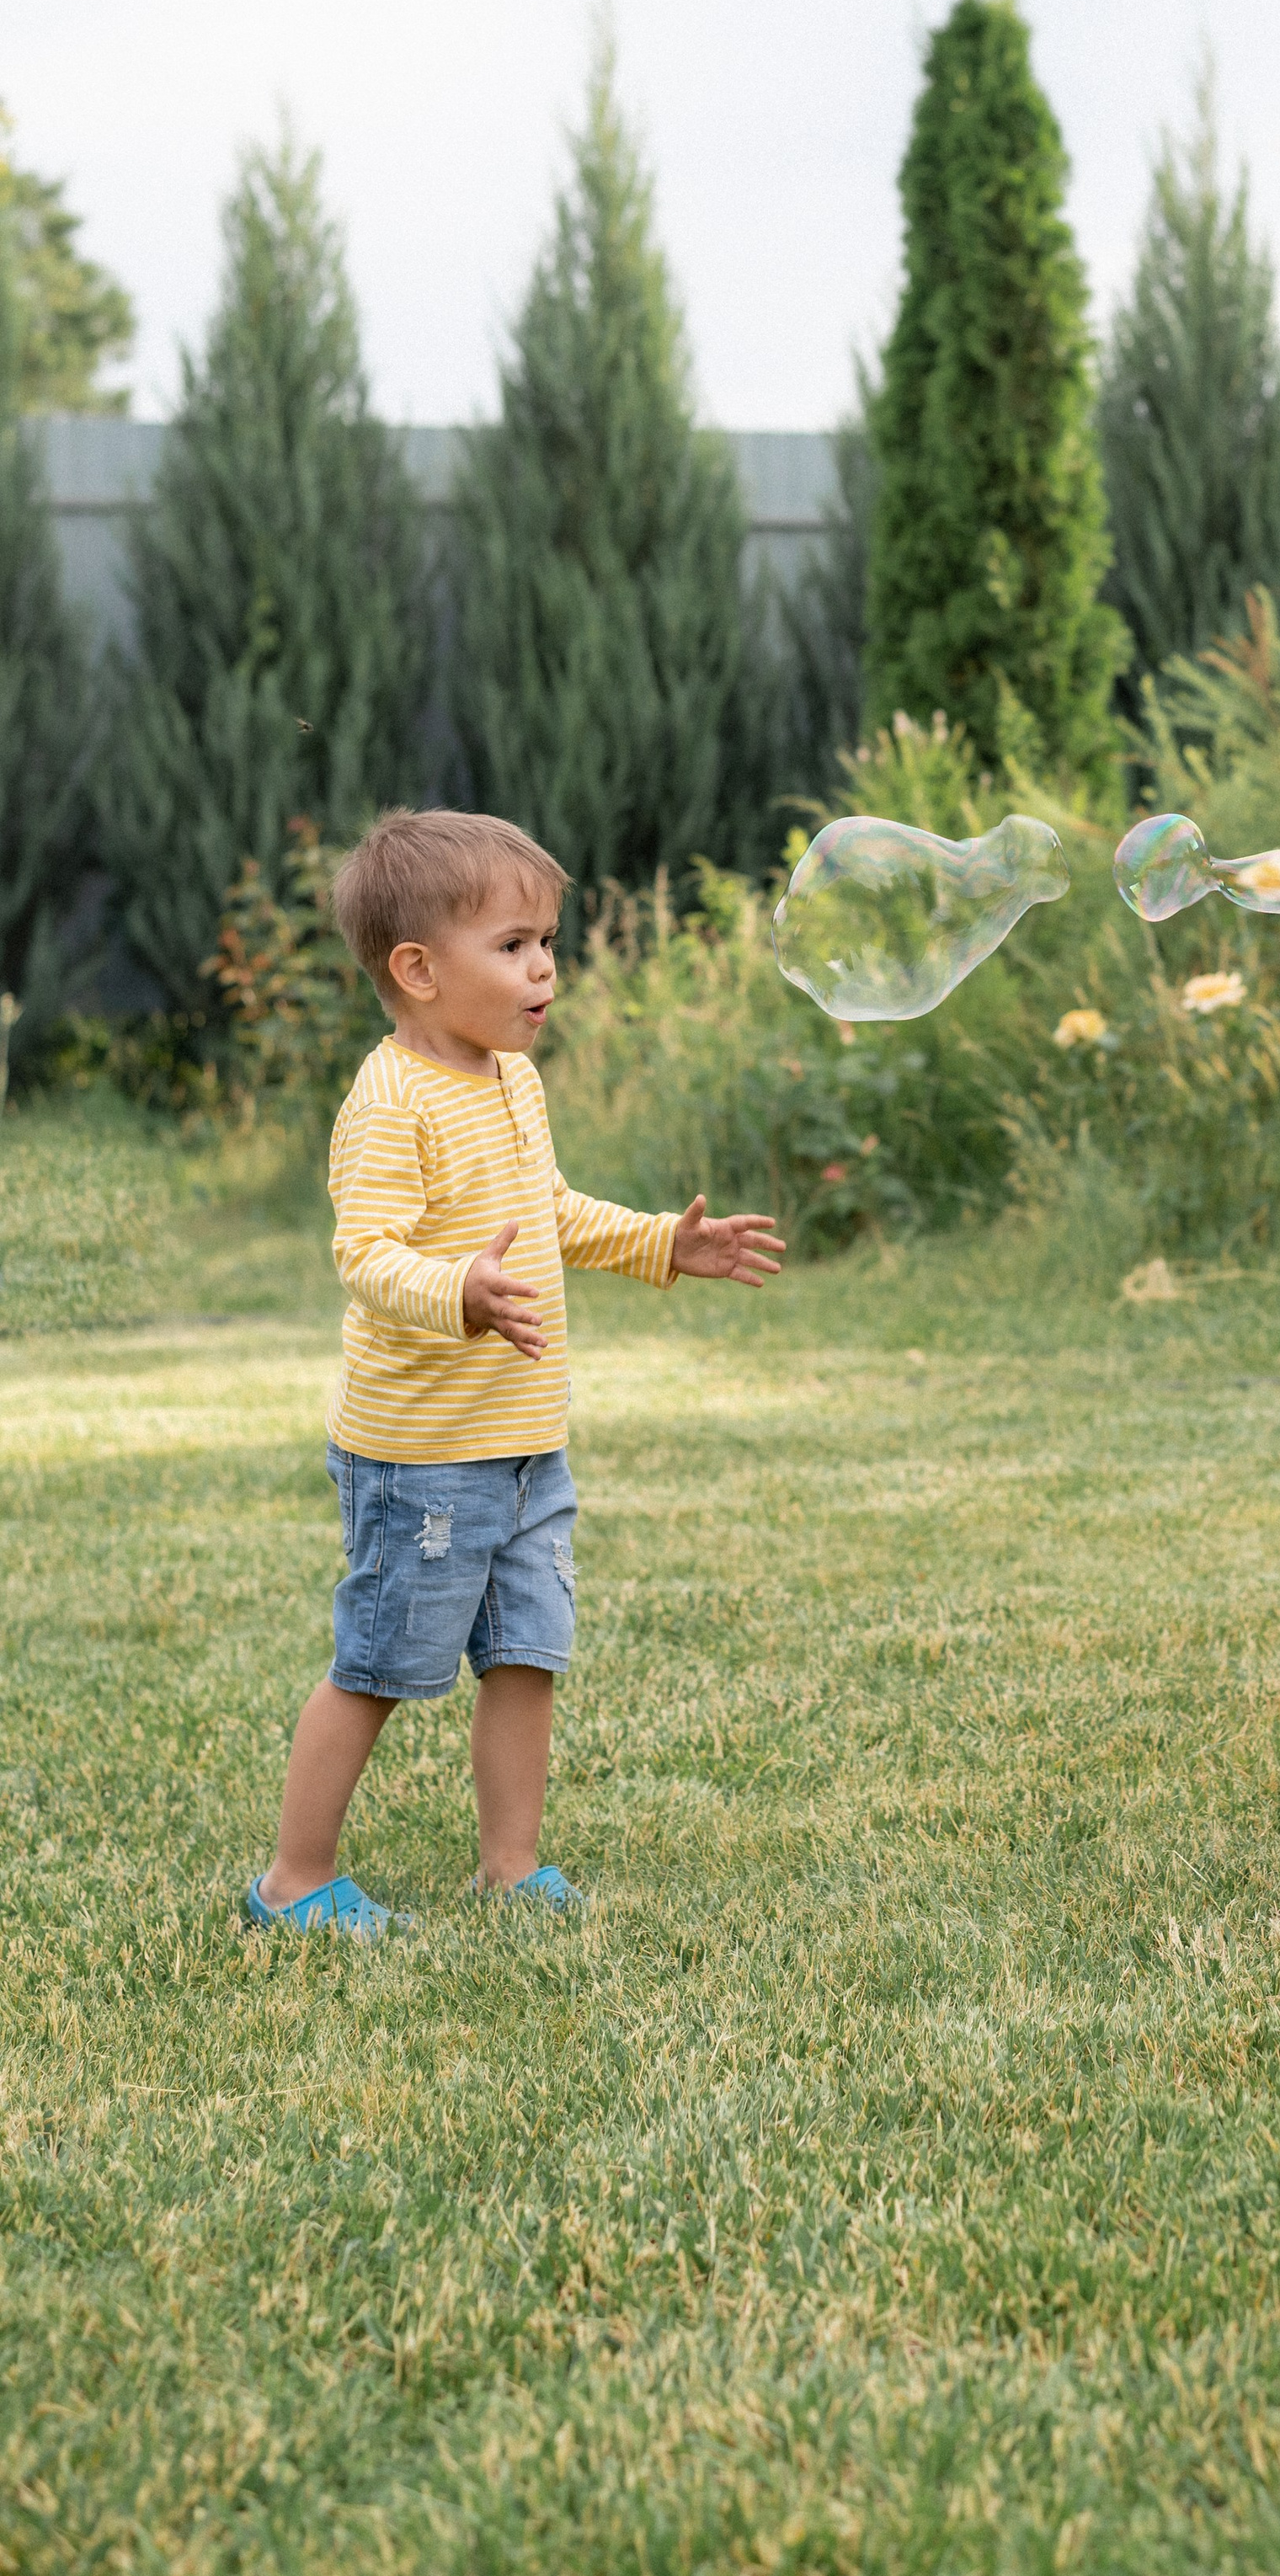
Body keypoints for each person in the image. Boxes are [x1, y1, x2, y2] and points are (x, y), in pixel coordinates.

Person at [246, 808, 785, 1939]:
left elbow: (546, 1212)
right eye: (513, 945)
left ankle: (510, 1866)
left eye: (548, 940)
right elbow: (365, 1254)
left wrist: (660, 1245)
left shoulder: (509, 1082)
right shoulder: (391, 1102)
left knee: (527, 1654)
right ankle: (292, 1882)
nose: (544, 968)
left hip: (528, 1445)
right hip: (424, 1454)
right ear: (419, 971)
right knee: (380, 1663)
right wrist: (459, 1293)